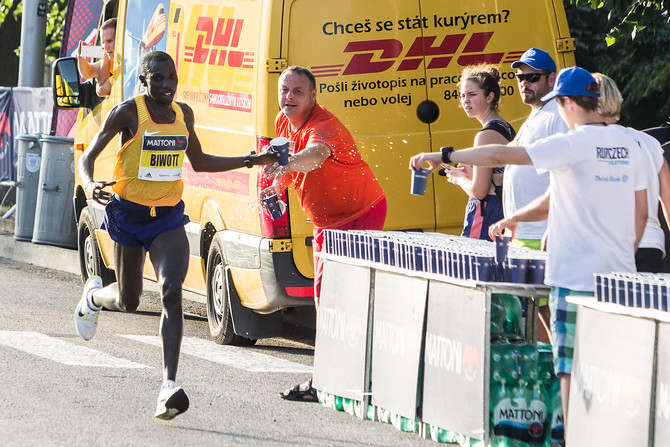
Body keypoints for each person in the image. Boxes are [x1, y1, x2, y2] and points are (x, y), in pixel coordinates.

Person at [409, 66, 648, 435]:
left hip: (574, 274)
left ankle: (575, 438)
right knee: (614, 364)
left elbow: (500, 155)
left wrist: (447, 155)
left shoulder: (572, 142)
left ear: (566, 102)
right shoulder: (629, 144)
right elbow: (641, 212)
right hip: (618, 274)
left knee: (569, 366)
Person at [74, 51, 276, 420]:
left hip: (167, 217)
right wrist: (90, 185)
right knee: (130, 299)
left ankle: (168, 386)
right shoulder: (128, 112)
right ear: (144, 81)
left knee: (171, 290)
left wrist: (252, 160)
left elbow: (199, 162)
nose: (167, 86)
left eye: (172, 79)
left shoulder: (184, 115)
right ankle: (95, 296)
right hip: (129, 215)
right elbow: (87, 158)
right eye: (159, 79)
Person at [262, 66, 387, 401]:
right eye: (284, 90)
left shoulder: (323, 124)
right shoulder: (282, 121)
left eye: (297, 91)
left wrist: (285, 166)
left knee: (352, 294)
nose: (288, 97)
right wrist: (276, 185)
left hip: (361, 213)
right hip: (326, 222)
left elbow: (313, 156)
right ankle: (327, 377)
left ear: (313, 95)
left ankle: (363, 375)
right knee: (325, 296)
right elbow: (288, 164)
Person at [593, 72, 670, 273]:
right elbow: (668, 200)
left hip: (610, 247)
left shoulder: (589, 143)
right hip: (651, 245)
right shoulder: (650, 143)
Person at [441, 64, 515, 241]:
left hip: (487, 214)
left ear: (490, 97)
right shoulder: (504, 126)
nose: (465, 101)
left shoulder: (485, 136)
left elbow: (479, 191)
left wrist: (458, 178)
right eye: (463, 96)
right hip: (502, 210)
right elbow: (496, 175)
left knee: (471, 268)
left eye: (472, 95)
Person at [77, 18, 116, 97]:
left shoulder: (126, 60)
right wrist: (82, 58)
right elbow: (87, 73)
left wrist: (105, 57)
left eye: (109, 41)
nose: (105, 47)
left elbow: (101, 91)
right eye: (103, 42)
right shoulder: (110, 58)